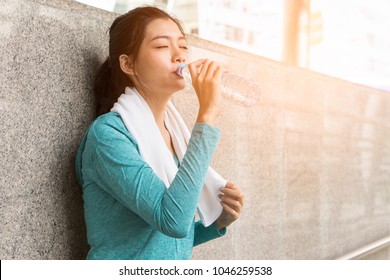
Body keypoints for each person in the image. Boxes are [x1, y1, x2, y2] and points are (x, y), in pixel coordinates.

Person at [75, 6, 244, 260]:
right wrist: (208, 114)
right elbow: (172, 220)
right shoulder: (108, 136)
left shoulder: (173, 133)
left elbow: (165, 241)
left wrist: (219, 221)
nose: (179, 56)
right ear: (128, 64)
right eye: (162, 46)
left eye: (183, 46)